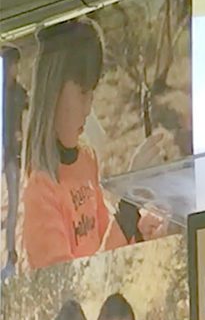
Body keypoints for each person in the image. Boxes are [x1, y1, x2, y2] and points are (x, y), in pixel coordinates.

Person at [21, 19, 164, 271]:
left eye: (92, 94)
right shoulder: (39, 191)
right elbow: (73, 288)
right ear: (53, 91)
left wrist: (137, 231)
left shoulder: (87, 160)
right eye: (82, 94)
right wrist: (128, 202)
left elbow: (106, 243)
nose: (89, 109)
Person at [2, 45, 28, 279]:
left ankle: (11, 252)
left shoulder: (19, 92)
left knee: (14, 207)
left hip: (13, 158)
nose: (13, 68)